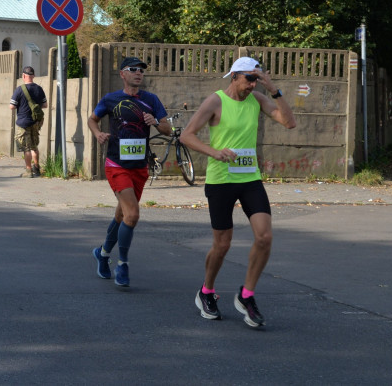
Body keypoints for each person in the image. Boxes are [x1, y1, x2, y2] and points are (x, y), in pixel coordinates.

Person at [180, 56, 297, 329]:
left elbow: (289, 122)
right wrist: (214, 152)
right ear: (234, 76)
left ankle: (246, 295)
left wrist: (275, 91)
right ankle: (206, 291)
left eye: (256, 79)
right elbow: (187, 135)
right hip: (221, 180)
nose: (252, 84)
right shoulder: (216, 101)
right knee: (222, 245)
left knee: (265, 237)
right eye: (248, 78)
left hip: (249, 179)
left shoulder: (257, 99)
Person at [87, 56, 171, 288]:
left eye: (142, 70)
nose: (138, 73)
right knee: (132, 215)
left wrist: (154, 121)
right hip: (116, 165)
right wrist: (97, 134)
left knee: (121, 216)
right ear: (123, 74)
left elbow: (167, 129)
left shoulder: (151, 100)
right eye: (133, 69)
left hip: (139, 167)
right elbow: (93, 119)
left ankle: (102, 254)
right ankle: (122, 264)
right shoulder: (111, 99)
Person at [9, 65, 48, 177]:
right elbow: (45, 105)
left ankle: (28, 171)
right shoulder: (39, 89)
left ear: (23, 76)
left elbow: (12, 106)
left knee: (26, 148)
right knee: (34, 146)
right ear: (33, 76)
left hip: (23, 123)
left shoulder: (19, 90)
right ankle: (37, 168)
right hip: (35, 122)